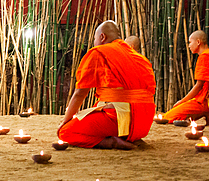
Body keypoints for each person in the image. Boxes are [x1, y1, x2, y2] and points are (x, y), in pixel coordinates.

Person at [57, 20, 156, 149]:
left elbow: (80, 93)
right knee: (96, 108)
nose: (94, 43)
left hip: (120, 120)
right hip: (143, 123)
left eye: (94, 38)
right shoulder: (138, 56)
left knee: (65, 132)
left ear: (102, 37)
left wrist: (65, 121)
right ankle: (126, 137)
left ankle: (112, 142)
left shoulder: (99, 52)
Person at [164, 31, 209, 127]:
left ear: (198, 42)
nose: (189, 46)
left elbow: (199, 85)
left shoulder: (205, 56)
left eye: (190, 42)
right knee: (181, 111)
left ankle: (206, 111)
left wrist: (182, 101)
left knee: (168, 117)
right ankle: (208, 113)